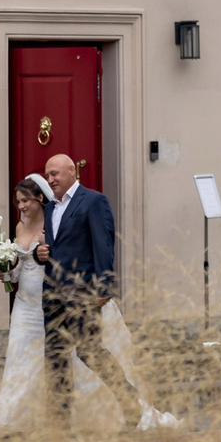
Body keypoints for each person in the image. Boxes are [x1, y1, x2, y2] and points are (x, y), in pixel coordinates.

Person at [33, 152, 139, 421]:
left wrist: (104, 288)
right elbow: (55, 248)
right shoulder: (49, 208)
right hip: (54, 294)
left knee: (90, 352)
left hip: (83, 294)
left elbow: (104, 245)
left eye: (54, 173)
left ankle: (128, 400)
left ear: (72, 171)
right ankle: (59, 421)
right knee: (55, 356)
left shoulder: (94, 201)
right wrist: (39, 254)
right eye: (47, 175)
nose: (50, 179)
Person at [0, 176, 54, 430]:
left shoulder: (53, 225)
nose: (22, 206)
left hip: (46, 302)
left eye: (25, 200)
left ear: (40, 198)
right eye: (18, 202)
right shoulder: (19, 227)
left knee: (44, 356)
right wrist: (8, 274)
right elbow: (21, 267)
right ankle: (13, 417)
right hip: (23, 304)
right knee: (18, 355)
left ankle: (46, 416)